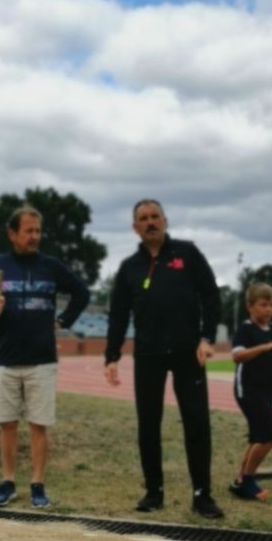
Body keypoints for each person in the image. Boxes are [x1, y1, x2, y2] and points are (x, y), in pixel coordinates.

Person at [104, 198, 224, 519]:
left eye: (155, 216)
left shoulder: (188, 254)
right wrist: (112, 355)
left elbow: (211, 295)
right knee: (148, 425)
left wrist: (207, 338)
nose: (150, 222)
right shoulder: (130, 267)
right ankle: (154, 492)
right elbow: (118, 314)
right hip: (148, 354)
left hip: (189, 353)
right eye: (143, 218)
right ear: (135, 227)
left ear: (165, 220)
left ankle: (202, 495)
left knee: (197, 423)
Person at [0, 205, 89, 508]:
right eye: (28, 231)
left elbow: (82, 293)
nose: (34, 236)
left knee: (39, 425)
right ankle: (7, 481)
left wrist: (63, 321)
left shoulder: (50, 266)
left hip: (41, 360)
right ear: (12, 233)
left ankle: (38, 484)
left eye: (38, 231)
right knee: (7, 424)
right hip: (5, 358)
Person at [229, 281, 272, 501]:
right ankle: (248, 481)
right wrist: (266, 347)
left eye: (271, 305)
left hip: (268, 390)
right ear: (250, 306)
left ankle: (240, 480)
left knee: (258, 436)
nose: (268, 309)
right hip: (247, 389)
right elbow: (237, 355)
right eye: (263, 304)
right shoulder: (246, 329)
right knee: (269, 434)